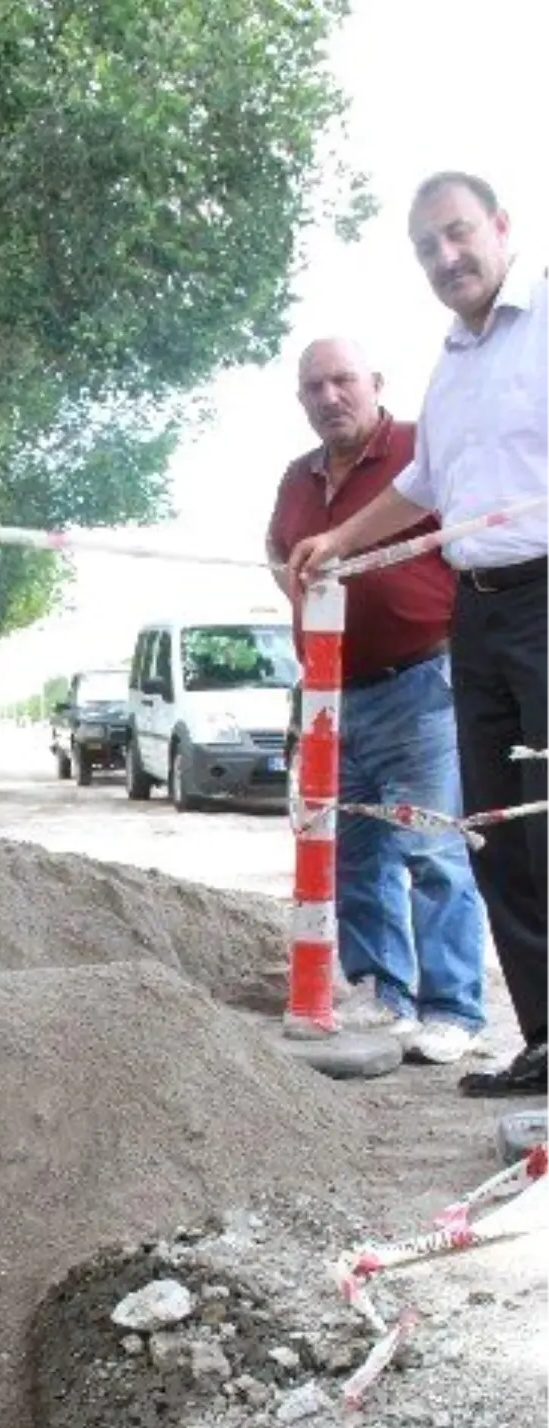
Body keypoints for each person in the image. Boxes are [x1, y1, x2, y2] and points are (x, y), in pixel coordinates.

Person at [289, 173, 549, 1097]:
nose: (447, 259)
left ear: (502, 227)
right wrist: (339, 542)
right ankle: (544, 1041)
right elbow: (424, 491)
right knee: (493, 837)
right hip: (477, 617)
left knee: (541, 823)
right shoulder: (455, 364)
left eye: (458, 234)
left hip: (542, 601)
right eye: (427, 247)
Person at [269, 338, 485, 1064]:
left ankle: (452, 1009)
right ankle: (381, 993)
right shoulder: (297, 478)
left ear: (376, 384)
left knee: (432, 847)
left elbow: (473, 537)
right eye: (313, 387)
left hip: (419, 684)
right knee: (354, 856)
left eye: (342, 381)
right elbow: (280, 554)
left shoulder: (419, 453)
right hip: (333, 694)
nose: (329, 397)